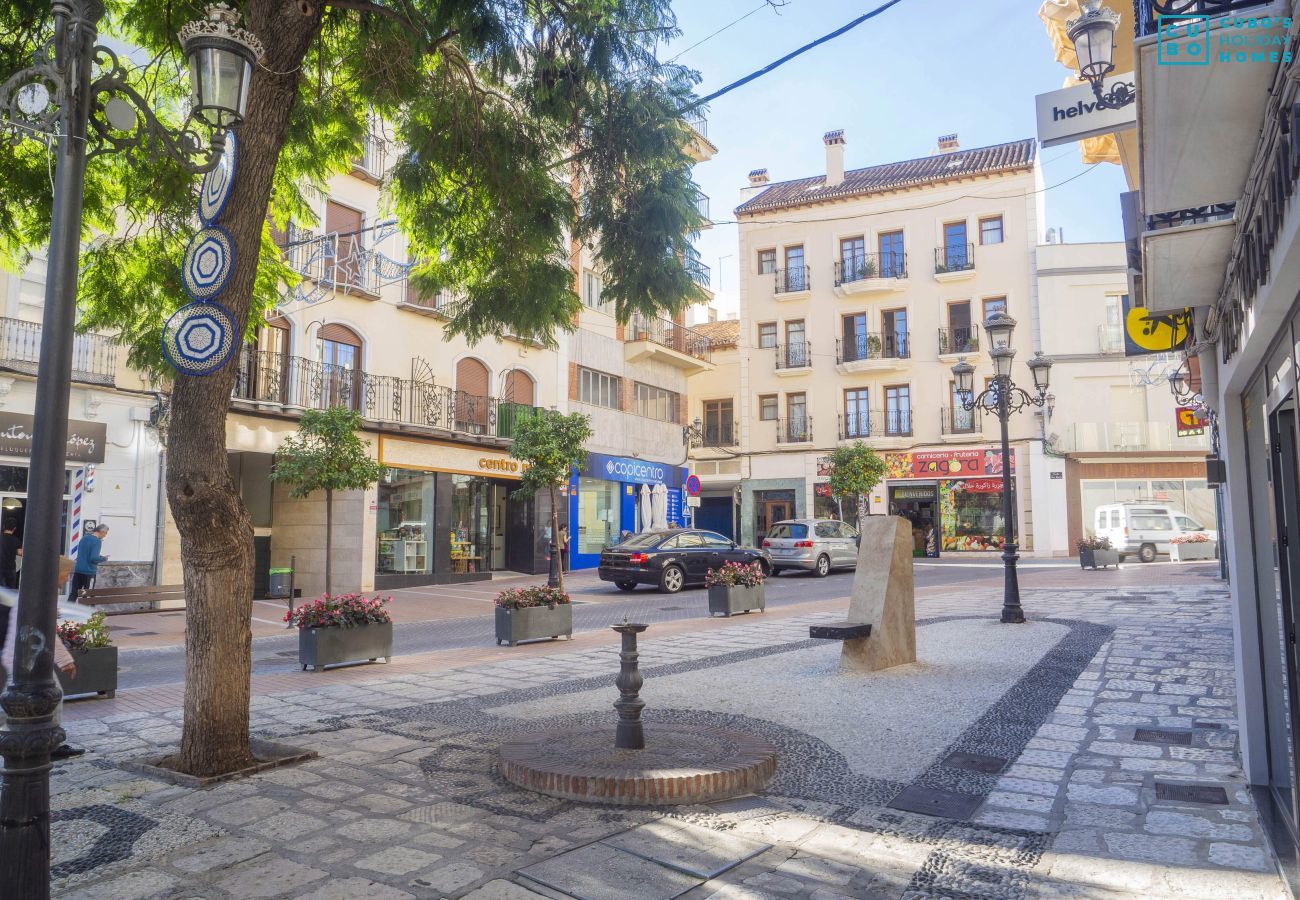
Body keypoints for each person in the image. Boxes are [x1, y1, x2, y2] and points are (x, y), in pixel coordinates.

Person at [71, 524, 109, 598]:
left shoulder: (84, 538)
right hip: (89, 573)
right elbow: (93, 559)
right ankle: (88, 610)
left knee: (73, 594)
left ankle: (69, 609)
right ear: (102, 531)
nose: (105, 535)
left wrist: (100, 556)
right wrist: (104, 558)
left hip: (78, 571)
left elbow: (85, 554)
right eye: (106, 533)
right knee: (87, 597)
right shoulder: (97, 541)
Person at [0, 517, 21, 589]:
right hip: (10, 568)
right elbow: (19, 553)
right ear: (14, 528)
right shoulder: (16, 540)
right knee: (10, 590)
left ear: (3, 526)